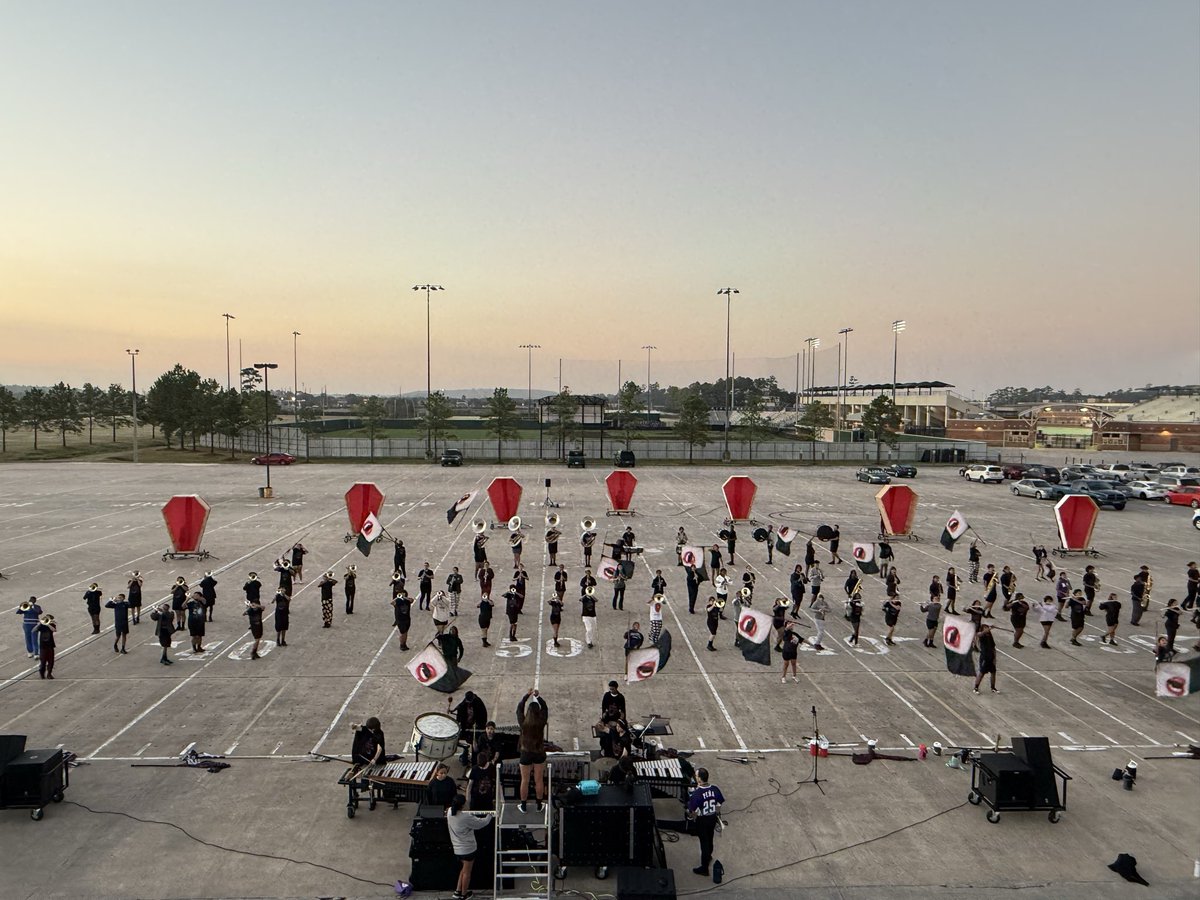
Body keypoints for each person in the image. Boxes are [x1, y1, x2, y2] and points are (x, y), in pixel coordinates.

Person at [447, 792, 493, 900]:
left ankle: (458, 891)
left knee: (463, 870)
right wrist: (490, 814)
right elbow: (481, 823)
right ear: (462, 805)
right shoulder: (465, 817)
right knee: (467, 872)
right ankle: (464, 894)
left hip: (457, 848)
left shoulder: (450, 812)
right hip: (468, 849)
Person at [686, 768, 725, 877]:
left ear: (699, 779)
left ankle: (704, 868)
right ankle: (708, 856)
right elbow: (719, 803)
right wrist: (716, 814)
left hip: (702, 820)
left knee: (704, 842)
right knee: (710, 837)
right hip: (712, 818)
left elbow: (693, 811)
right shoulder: (715, 789)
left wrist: (693, 818)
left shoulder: (697, 794)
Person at [516, 689, 548, 813]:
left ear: (528, 712)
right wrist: (538, 696)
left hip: (525, 753)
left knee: (525, 780)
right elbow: (545, 708)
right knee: (538, 780)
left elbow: (519, 708)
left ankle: (523, 806)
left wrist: (527, 696)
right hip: (539, 752)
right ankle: (539, 805)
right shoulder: (541, 722)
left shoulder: (523, 723)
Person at [452, 692, 489, 763]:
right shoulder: (465, 701)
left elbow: (483, 716)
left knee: (475, 743)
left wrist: (477, 725)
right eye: (467, 701)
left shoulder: (478, 703)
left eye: (470, 702)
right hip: (466, 726)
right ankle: (465, 755)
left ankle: (475, 760)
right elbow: (461, 706)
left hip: (476, 727)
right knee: (460, 738)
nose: (468, 703)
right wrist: (454, 710)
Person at [973, 624, 998, 694]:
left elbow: (993, 648)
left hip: (991, 657)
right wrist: (989, 629)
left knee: (993, 673)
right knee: (982, 673)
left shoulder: (990, 637)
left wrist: (994, 658)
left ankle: (993, 687)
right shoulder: (981, 635)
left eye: (987, 627)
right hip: (984, 657)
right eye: (985, 628)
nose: (986, 629)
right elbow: (979, 634)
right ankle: (976, 687)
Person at [36, 613, 57, 679]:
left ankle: (49, 674)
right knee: (43, 662)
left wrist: (48, 625)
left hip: (50, 645)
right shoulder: (41, 626)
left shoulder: (52, 625)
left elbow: (54, 630)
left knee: (51, 661)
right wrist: (39, 624)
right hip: (43, 646)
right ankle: (42, 673)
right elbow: (33, 630)